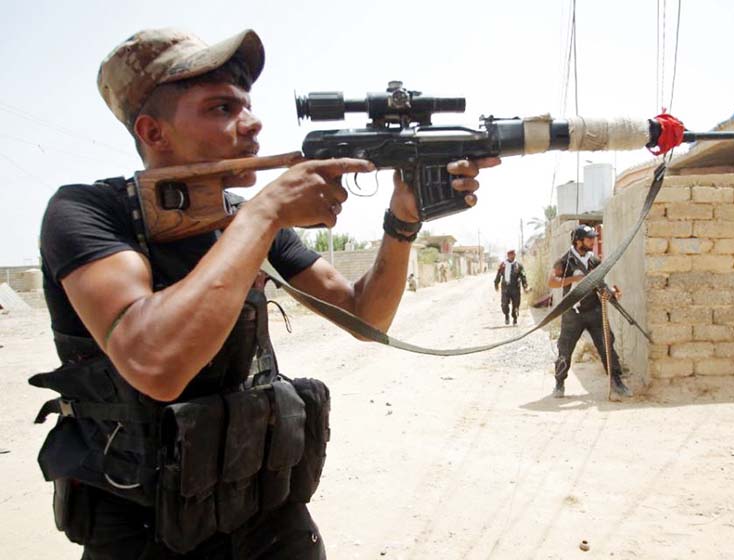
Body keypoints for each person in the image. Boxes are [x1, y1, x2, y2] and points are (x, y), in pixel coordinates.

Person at [29, 28, 499, 559]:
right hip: (142, 527)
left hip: (263, 509)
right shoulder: (89, 213)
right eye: (221, 108)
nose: (252, 123)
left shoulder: (246, 217)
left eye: (247, 105)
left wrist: (402, 222)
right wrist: (266, 211)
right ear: (153, 131)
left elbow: (366, 316)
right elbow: (153, 362)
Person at [548, 225, 633, 400]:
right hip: (573, 313)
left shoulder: (594, 261)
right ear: (578, 241)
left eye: (593, 238)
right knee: (565, 349)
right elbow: (552, 282)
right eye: (589, 239)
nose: (592, 241)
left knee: (607, 345)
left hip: (594, 311)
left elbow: (600, 284)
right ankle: (559, 383)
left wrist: (612, 294)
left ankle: (616, 382)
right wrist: (575, 279)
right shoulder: (565, 261)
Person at [494, 249, 528, 325]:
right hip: (505, 289)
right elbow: (499, 275)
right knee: (504, 304)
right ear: (508, 255)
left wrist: (525, 286)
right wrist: (496, 283)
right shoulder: (503, 265)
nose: (512, 256)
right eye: (510, 254)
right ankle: (506, 316)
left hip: (515, 288)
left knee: (516, 305)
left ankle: (515, 319)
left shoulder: (519, 265)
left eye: (513, 254)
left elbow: (523, 276)